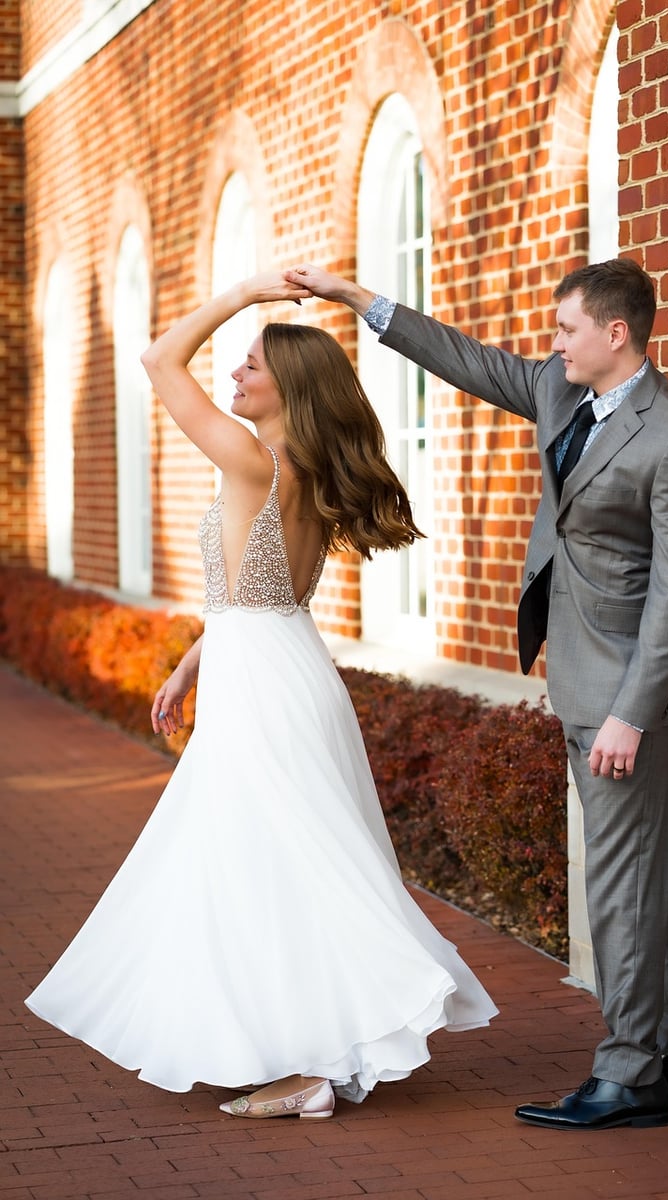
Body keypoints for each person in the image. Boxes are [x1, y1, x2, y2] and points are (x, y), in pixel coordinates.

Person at [25, 270, 498, 1119]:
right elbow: (256, 598)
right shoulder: (298, 466)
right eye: (237, 363)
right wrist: (189, 664)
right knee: (268, 865)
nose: (233, 375)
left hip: (270, 686)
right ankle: (305, 1051)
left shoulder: (252, 461)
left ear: (291, 389)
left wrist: (244, 294)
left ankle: (321, 1059)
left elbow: (159, 357)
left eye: (249, 366)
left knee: (286, 866)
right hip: (274, 667)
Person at [283, 258, 668, 1131]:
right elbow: (468, 359)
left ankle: (634, 1073)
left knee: (621, 880)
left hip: (623, 697)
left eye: (567, 329)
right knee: (647, 865)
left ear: (616, 335)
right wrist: (357, 300)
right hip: (578, 672)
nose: (551, 343)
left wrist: (632, 715)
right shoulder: (565, 394)